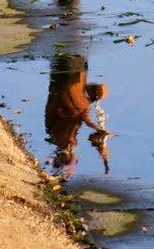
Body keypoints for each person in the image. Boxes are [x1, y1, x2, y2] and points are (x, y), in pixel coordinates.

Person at [44, 50, 110, 180]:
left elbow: (80, 116)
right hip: (63, 76)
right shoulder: (82, 102)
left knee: (69, 47)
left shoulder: (65, 138)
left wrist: (99, 132)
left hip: (71, 69)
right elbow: (82, 117)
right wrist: (98, 131)